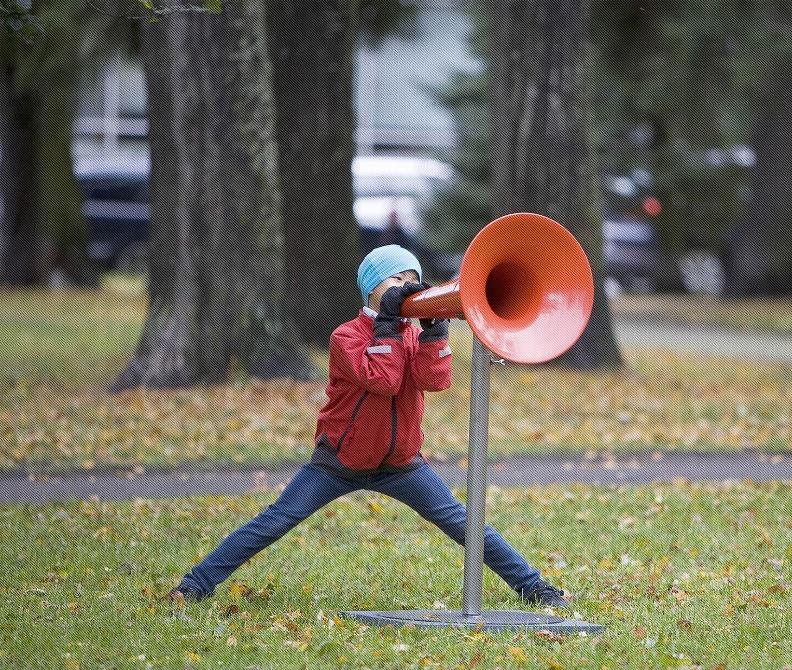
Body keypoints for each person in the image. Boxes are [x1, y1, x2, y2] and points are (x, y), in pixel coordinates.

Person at [168, 245, 570, 608]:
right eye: (396, 279)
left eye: (413, 279)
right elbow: (384, 380)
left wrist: (434, 333)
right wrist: (388, 329)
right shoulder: (346, 336)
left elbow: (436, 381)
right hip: (339, 461)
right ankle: (195, 585)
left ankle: (533, 587)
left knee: (466, 524)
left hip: (401, 463)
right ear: (371, 289)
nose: (407, 286)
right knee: (274, 521)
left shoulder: (410, 334)